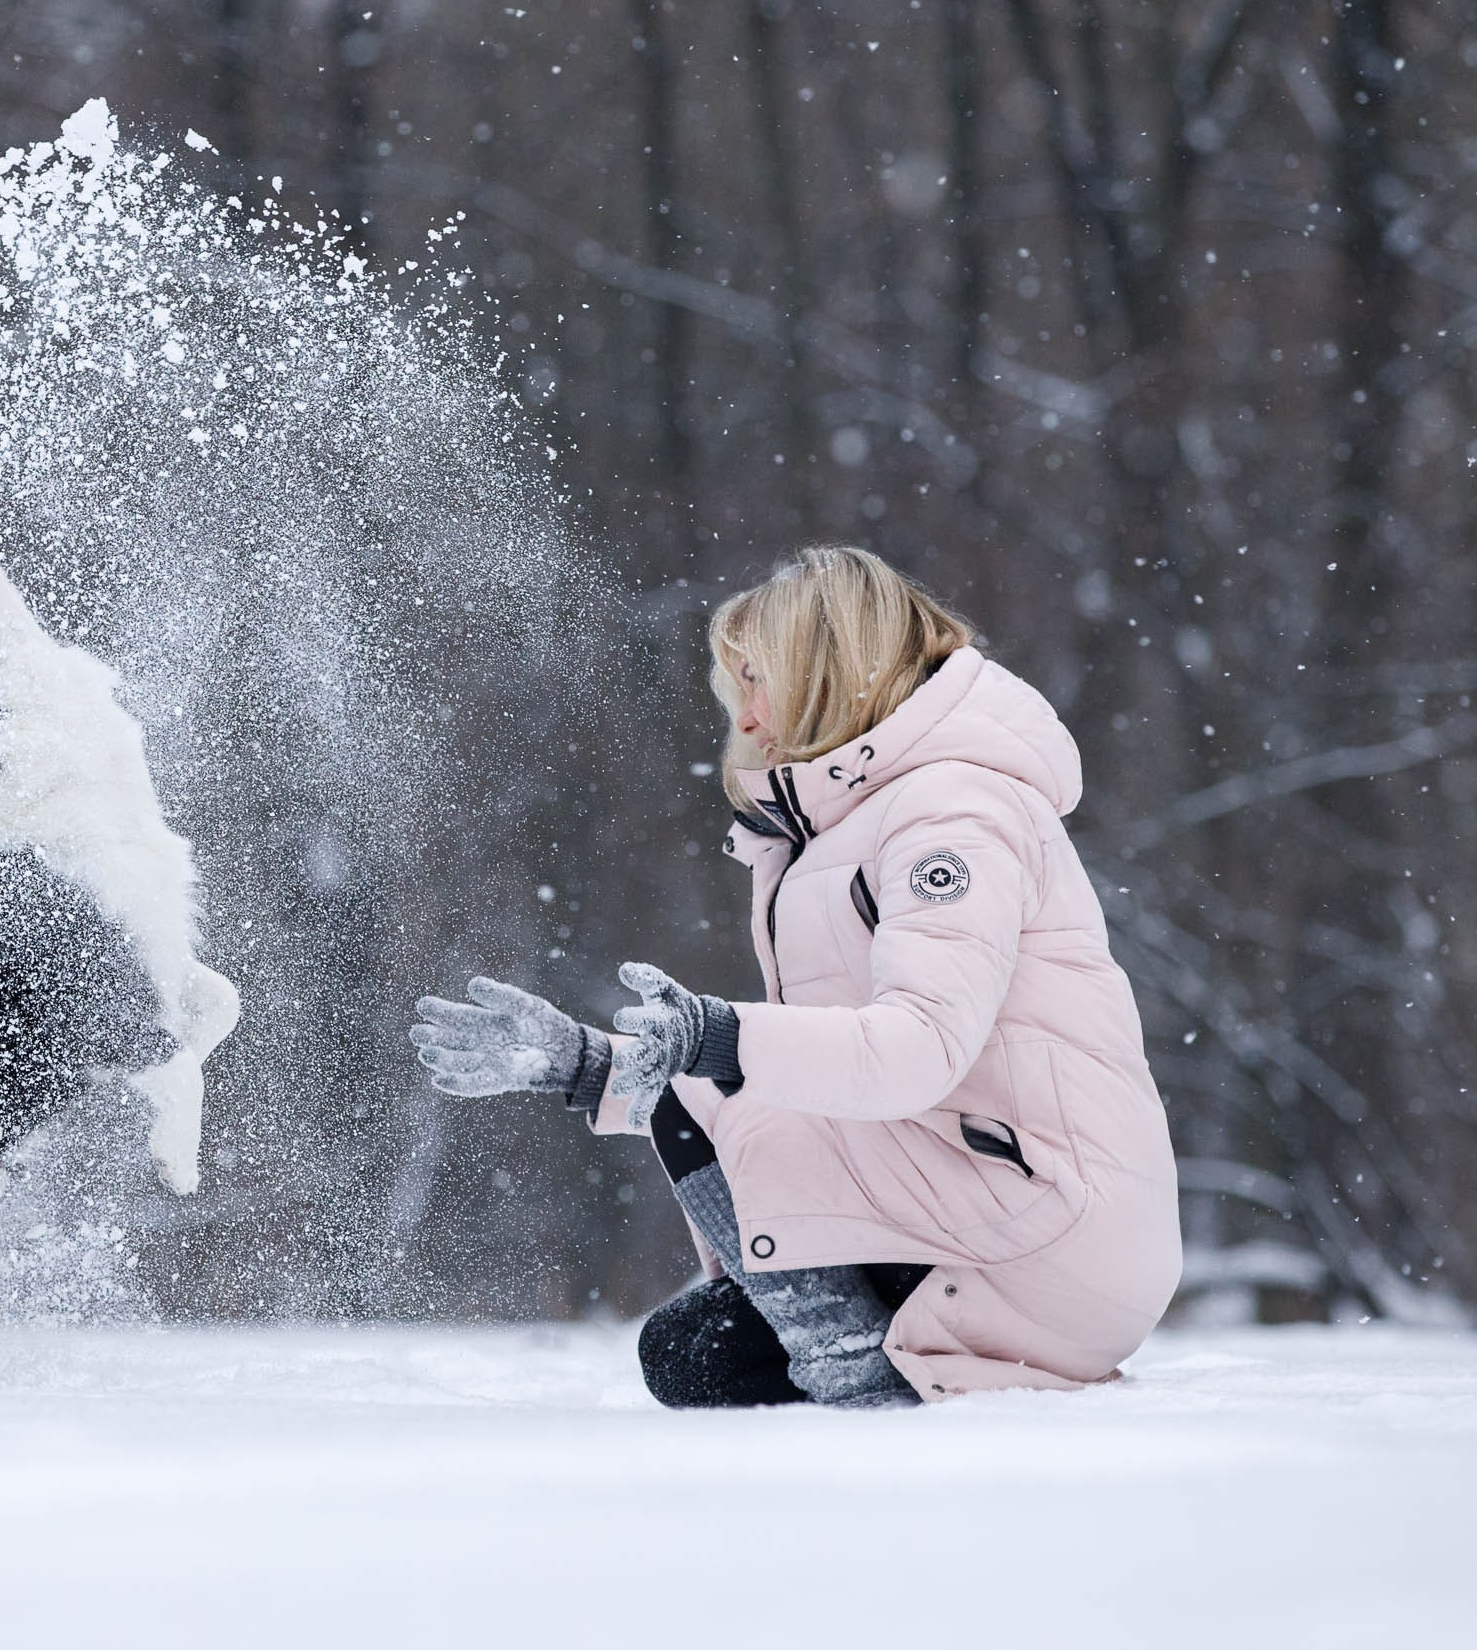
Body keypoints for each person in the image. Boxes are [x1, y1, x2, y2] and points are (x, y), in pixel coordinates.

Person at [412, 546, 1181, 1408]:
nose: (741, 712)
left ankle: (855, 1375)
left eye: (754, 678)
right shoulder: (831, 826)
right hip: (978, 1200)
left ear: (827, 674)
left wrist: (709, 1038)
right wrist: (588, 1064)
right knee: (690, 1353)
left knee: (722, 1092)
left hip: (1046, 1225)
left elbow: (915, 1050)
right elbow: (823, 1074)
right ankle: (870, 1346)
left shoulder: (949, 810)